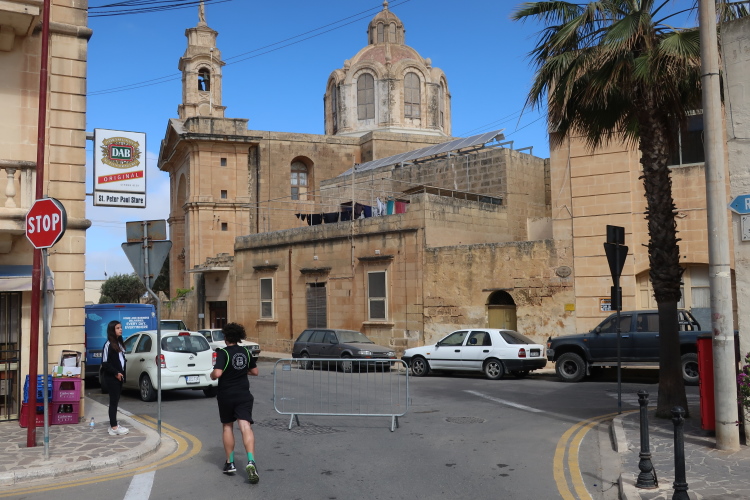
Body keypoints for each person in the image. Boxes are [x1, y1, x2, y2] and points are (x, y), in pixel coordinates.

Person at [211, 322, 259, 484]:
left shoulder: (223, 352)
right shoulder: (245, 351)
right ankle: (251, 461)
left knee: (227, 426)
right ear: (239, 337)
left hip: (226, 395)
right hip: (243, 394)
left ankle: (230, 463)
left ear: (226, 337)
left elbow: (218, 373)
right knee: (245, 426)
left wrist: (212, 375)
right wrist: (241, 370)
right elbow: (255, 371)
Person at [101, 320, 129, 436]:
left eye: (121, 327)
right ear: (112, 330)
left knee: (116, 401)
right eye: (118, 328)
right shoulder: (108, 344)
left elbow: (121, 360)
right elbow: (105, 363)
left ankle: (115, 424)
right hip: (112, 377)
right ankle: (114, 427)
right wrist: (116, 373)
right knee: (113, 402)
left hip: (119, 377)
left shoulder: (119, 343)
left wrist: (121, 373)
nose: (120, 330)